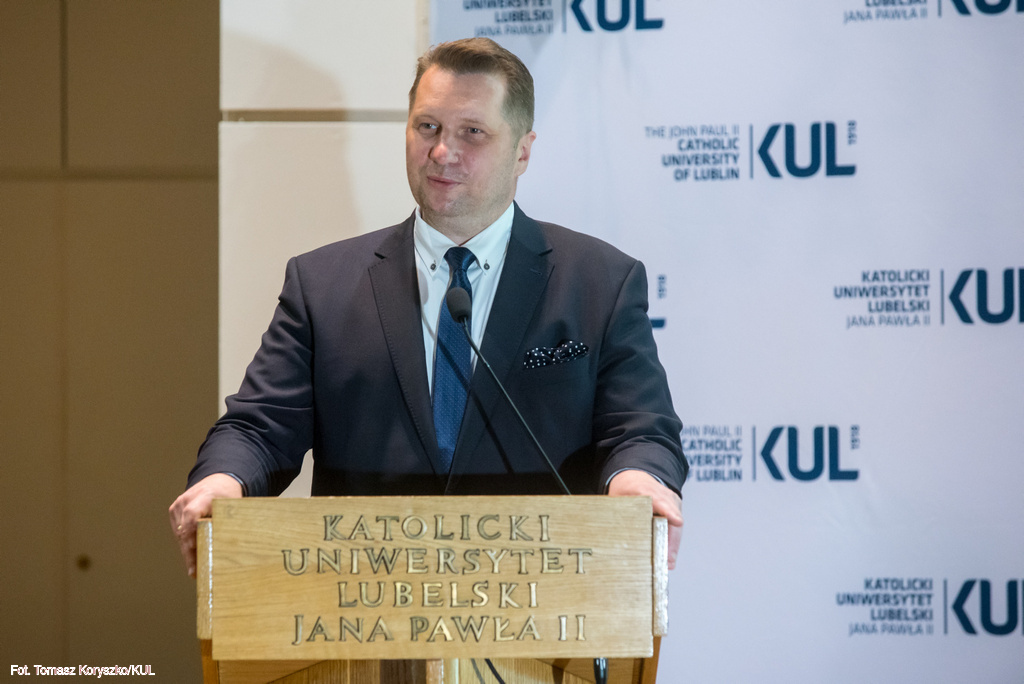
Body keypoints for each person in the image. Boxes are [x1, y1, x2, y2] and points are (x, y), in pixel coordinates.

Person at [169, 37, 687, 579]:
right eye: (428, 127)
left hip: (543, 594)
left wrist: (638, 480)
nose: (442, 151)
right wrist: (222, 482)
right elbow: (259, 428)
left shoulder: (600, 282)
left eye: (472, 132)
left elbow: (640, 430)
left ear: (522, 152)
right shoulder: (321, 285)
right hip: (365, 597)